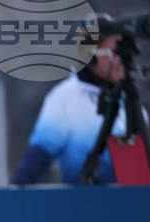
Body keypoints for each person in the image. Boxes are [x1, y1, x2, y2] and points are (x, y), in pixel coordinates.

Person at [11, 16, 142, 185]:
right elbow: (37, 158)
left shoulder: (130, 100)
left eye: (124, 53)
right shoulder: (65, 97)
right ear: (90, 56)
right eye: (114, 54)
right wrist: (12, 200)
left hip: (126, 208)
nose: (121, 61)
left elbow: (139, 175)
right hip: (80, 207)